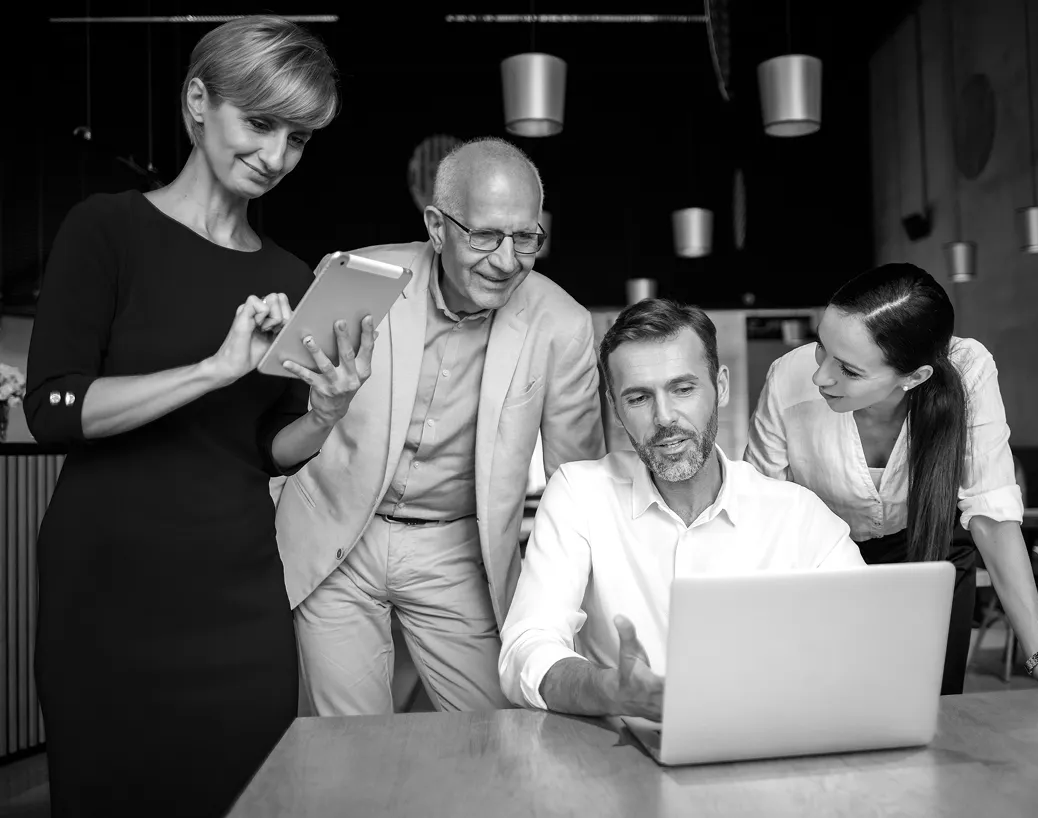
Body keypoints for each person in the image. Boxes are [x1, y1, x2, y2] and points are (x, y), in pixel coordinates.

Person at [22, 16, 365, 818]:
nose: (277, 157)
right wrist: (212, 370)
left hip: (237, 594)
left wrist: (326, 410)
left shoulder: (289, 274)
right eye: (261, 123)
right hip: (107, 593)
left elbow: (268, 449)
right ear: (198, 102)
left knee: (252, 797)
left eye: (300, 138)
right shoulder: (107, 230)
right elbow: (54, 410)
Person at [745, 263, 1038, 697]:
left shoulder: (969, 369)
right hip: (821, 562)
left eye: (850, 370)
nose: (821, 375)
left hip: (930, 550)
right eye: (822, 347)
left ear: (915, 378)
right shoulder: (789, 377)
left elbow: (991, 513)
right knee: (827, 705)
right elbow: (761, 515)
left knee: (932, 709)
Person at [278, 136, 606, 716]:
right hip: (338, 537)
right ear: (437, 226)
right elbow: (283, 418)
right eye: (484, 236)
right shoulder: (352, 279)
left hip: (460, 550)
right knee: (350, 749)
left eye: (525, 238)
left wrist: (569, 617)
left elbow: (576, 482)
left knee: (501, 736)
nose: (506, 261)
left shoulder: (564, 324)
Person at [498, 299, 864, 718]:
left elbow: (863, 650)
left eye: (683, 388)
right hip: (618, 757)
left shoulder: (800, 516)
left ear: (720, 387)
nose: (665, 417)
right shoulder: (579, 494)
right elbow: (526, 648)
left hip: (765, 747)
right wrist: (607, 690)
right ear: (615, 407)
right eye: (638, 398)